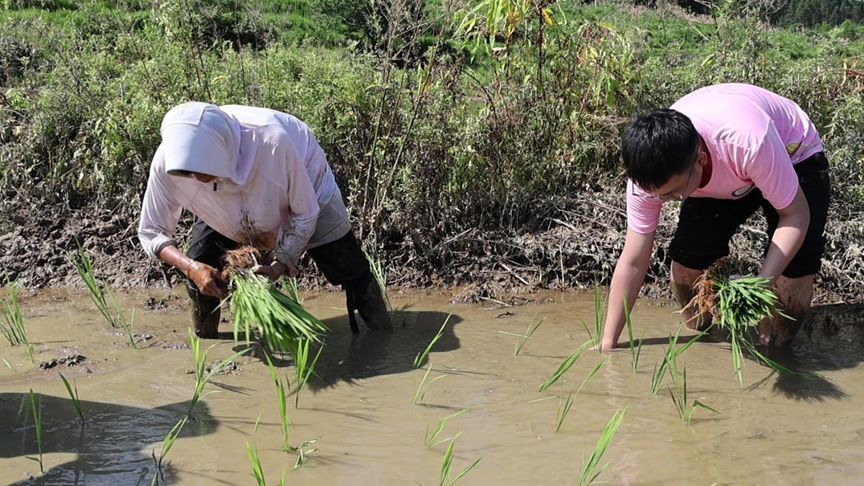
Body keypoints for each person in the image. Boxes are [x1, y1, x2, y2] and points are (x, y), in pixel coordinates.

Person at [600, 83, 830, 349]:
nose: (666, 202)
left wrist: (761, 284)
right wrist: (608, 343)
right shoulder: (647, 183)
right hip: (730, 167)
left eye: (674, 193)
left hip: (792, 151)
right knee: (689, 254)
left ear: (700, 160)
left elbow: (795, 216)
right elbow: (633, 261)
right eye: (659, 196)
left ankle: (775, 347)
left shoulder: (749, 142)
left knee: (795, 267)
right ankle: (702, 338)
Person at [138, 102, 392, 338]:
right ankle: (206, 341)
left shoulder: (273, 142)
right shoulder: (167, 164)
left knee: (350, 268)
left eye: (202, 170)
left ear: (221, 153)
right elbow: (151, 231)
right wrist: (191, 267)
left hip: (307, 193)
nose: (194, 178)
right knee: (202, 272)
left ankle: (383, 337)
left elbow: (304, 213)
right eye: (187, 172)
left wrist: (280, 264)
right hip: (223, 211)